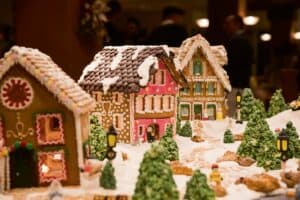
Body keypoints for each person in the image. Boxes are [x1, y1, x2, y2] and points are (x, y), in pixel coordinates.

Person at [223, 15, 254, 117]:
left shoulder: (238, 40)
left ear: (237, 24)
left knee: (234, 115)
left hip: (235, 86)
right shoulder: (244, 39)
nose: (225, 26)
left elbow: (232, 64)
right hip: (240, 85)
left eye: (228, 24)